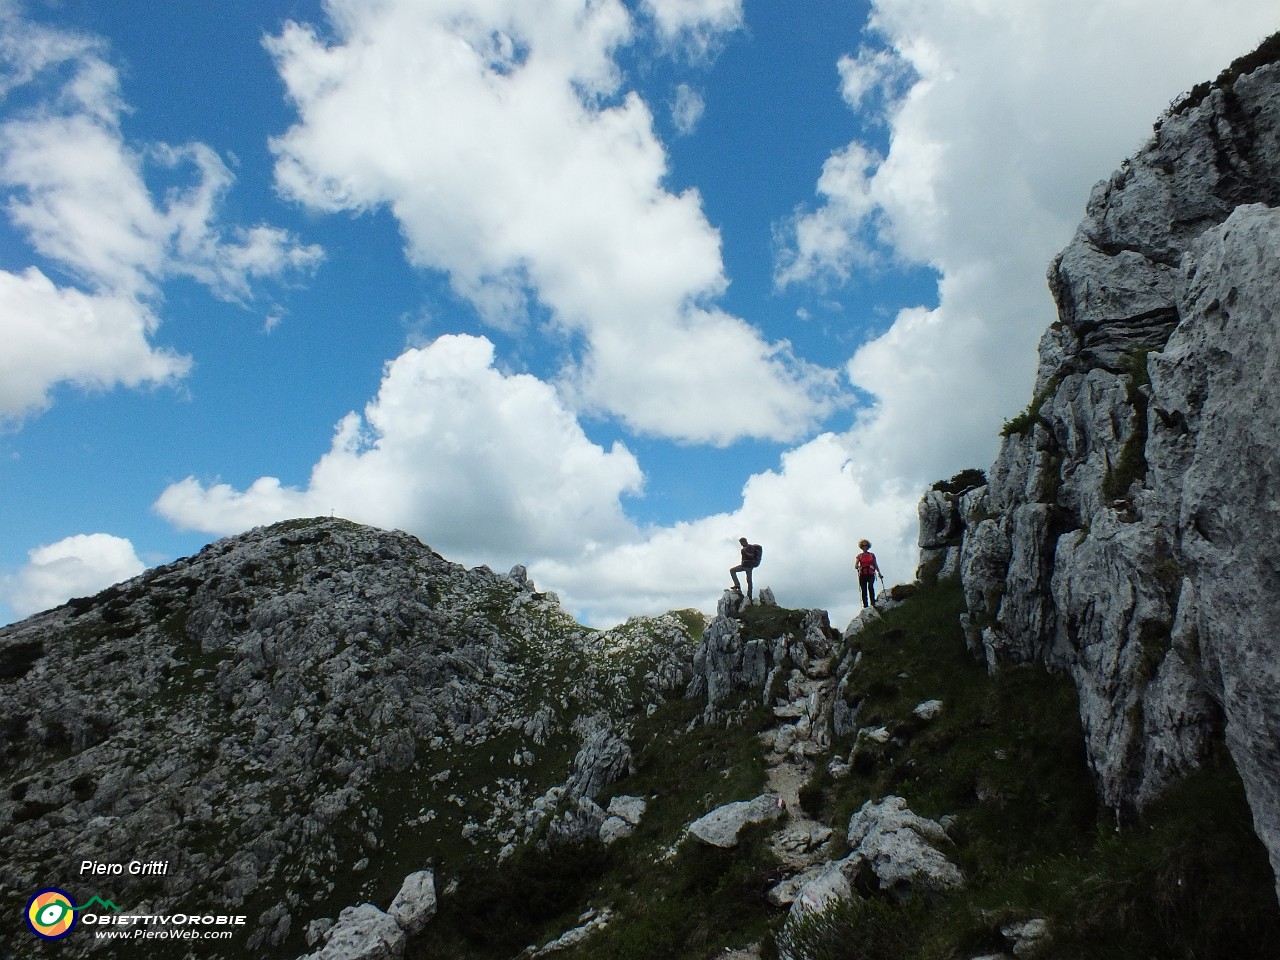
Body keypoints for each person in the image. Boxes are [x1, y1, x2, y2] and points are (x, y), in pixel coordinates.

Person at [855, 539, 881, 608]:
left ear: (868, 546)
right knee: (864, 590)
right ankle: (865, 606)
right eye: (863, 545)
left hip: (870, 573)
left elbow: (875, 564)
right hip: (863, 574)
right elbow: (856, 565)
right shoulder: (859, 556)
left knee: (870, 587)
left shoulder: (872, 555)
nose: (865, 547)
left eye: (866, 545)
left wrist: (879, 573)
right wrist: (858, 567)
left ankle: (873, 602)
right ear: (861, 547)